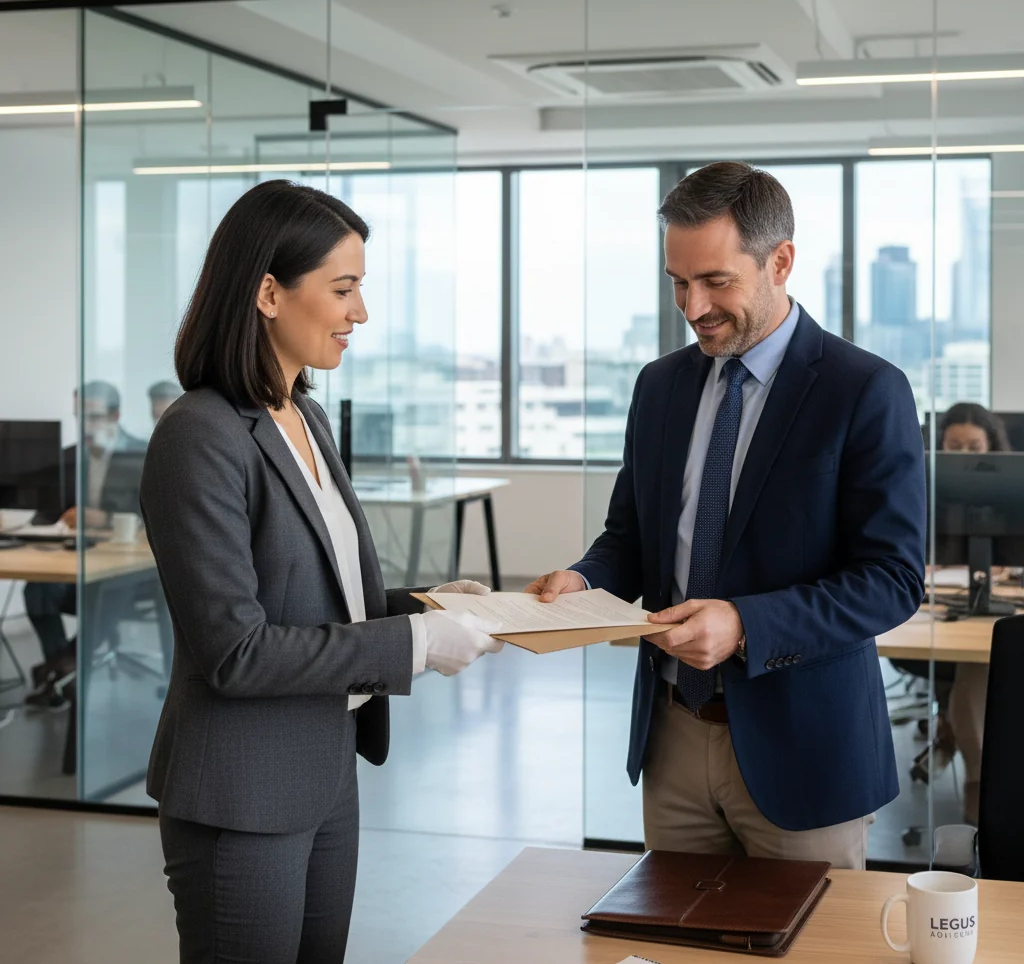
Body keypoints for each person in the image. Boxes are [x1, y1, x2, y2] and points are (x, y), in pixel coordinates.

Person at [142, 178, 502, 964]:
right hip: (242, 790)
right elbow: (237, 651)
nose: (360, 313)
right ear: (269, 293)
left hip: (326, 768)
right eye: (343, 289)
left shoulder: (304, 415)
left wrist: (431, 605)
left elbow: (321, 596)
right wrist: (416, 644)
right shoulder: (199, 434)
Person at [527, 162, 926, 869]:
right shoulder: (660, 386)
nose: (693, 306)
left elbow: (892, 580)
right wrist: (584, 581)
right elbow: (630, 537)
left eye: (716, 281)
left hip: (804, 749)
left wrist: (746, 624)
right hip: (673, 736)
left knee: (810, 932)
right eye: (678, 282)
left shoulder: (864, 390)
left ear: (781, 262)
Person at [23, 380, 147, 707]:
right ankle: (65, 671)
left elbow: (156, 514)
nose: (85, 426)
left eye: (93, 417)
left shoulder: (142, 454)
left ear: (115, 415)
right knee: (36, 590)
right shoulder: (67, 457)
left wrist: (105, 518)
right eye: (80, 417)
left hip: (127, 568)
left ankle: (60, 670)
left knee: (104, 591)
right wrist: (57, 517)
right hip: (76, 558)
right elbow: (44, 514)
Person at [925, 402, 1009, 824]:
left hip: (996, 606)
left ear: (992, 446)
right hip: (934, 612)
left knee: (982, 664)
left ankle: (980, 783)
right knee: (974, 670)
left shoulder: (1010, 491)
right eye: (952, 446)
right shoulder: (922, 487)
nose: (962, 457)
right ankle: (979, 788)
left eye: (974, 447)